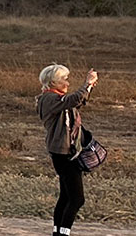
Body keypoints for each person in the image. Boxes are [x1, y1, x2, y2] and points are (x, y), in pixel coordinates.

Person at [36, 64, 95, 236]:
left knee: (66, 196)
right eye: (64, 79)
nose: (67, 83)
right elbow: (74, 100)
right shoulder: (49, 100)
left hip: (64, 151)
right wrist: (87, 84)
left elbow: (77, 101)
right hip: (63, 153)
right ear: (53, 82)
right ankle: (63, 233)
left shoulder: (54, 99)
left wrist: (88, 87)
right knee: (77, 199)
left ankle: (58, 232)